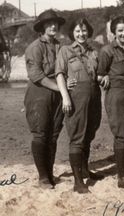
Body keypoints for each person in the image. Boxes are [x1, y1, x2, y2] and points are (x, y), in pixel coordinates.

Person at [24, 9, 70, 188]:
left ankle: (50, 173)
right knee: (40, 134)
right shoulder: (34, 47)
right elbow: (36, 75)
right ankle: (42, 177)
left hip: (57, 95)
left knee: (53, 135)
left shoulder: (59, 46)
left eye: (55, 23)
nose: (53, 26)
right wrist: (61, 87)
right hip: (39, 94)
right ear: (42, 27)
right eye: (49, 23)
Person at [55, 18, 102, 194]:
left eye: (83, 31)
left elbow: (95, 74)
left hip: (94, 98)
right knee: (77, 137)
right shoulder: (65, 51)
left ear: (88, 32)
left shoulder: (93, 52)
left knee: (89, 134)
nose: (81, 34)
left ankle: (85, 170)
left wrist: (103, 78)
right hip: (75, 99)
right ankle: (78, 181)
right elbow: (59, 75)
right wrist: (65, 97)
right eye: (77, 31)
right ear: (72, 34)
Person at [97, 16, 124, 191]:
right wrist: (105, 77)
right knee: (121, 135)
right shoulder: (107, 50)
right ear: (114, 32)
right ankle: (122, 178)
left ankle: (123, 172)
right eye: (120, 30)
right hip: (117, 95)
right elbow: (99, 75)